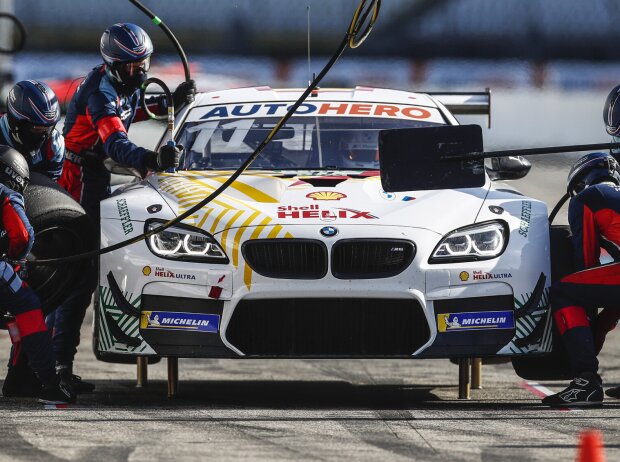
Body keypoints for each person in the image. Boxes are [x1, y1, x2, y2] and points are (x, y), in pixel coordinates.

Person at [54, 23, 194, 387]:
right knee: (79, 277)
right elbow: (116, 143)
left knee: (82, 277)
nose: (137, 73)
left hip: (95, 175)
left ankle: (55, 366)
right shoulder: (101, 94)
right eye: (129, 67)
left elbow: (134, 111)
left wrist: (171, 103)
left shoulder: (121, 85)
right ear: (112, 65)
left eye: (142, 65)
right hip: (79, 180)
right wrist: (153, 159)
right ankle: (54, 369)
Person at [542, 152, 620, 406]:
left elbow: (585, 259)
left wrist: (583, 327)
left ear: (580, 182)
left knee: (564, 292)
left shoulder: (588, 198)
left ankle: (585, 382)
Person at [0, 145, 75, 404]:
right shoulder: (6, 193)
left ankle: (17, 379)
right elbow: (22, 236)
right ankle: (49, 384)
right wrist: (14, 258)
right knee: (28, 307)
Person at [0, 80, 64, 181]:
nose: (44, 136)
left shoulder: (54, 145)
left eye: (48, 129)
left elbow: (52, 189)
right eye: (37, 129)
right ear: (15, 122)